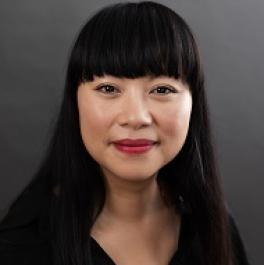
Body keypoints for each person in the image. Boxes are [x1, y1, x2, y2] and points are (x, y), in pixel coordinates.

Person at [0, 1, 251, 265]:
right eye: (108, 89)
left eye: (162, 90)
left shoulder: (212, 224)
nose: (135, 118)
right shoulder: (22, 246)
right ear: (75, 103)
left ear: (194, 105)